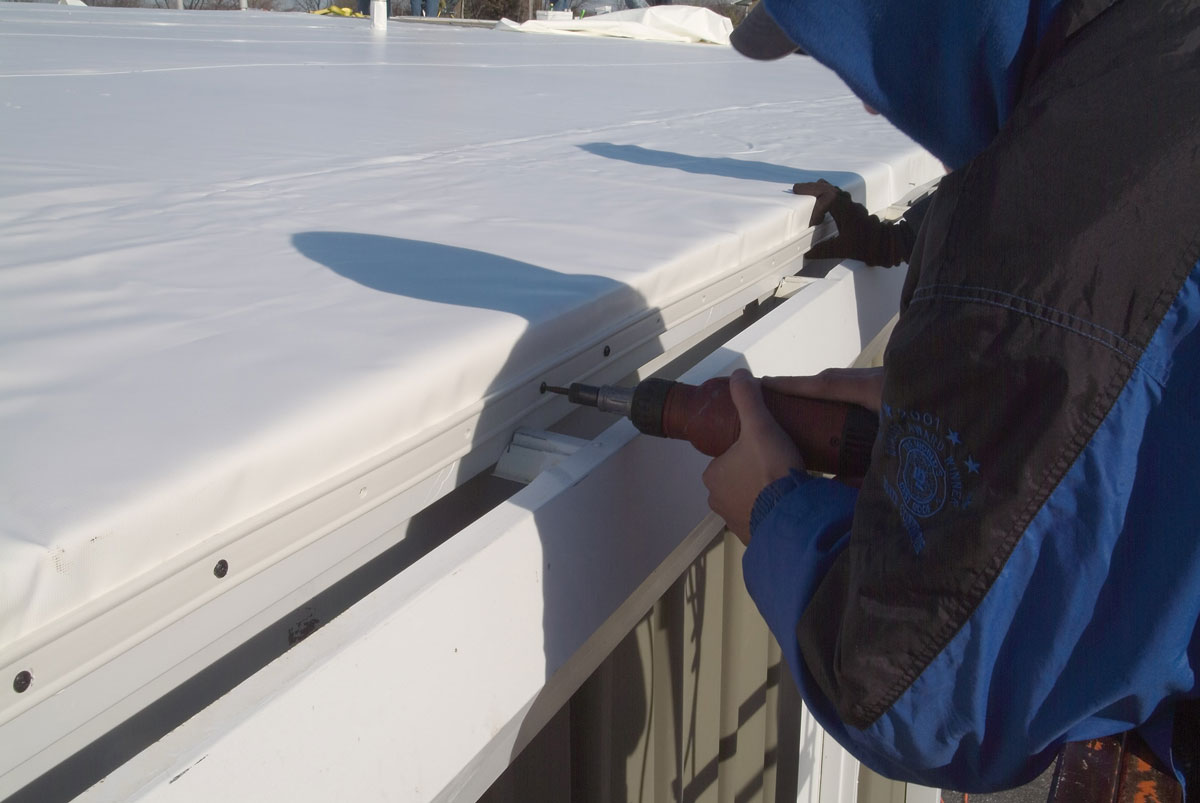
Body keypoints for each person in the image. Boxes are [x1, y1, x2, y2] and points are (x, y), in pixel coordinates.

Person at [704, 0, 1200, 795]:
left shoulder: (1062, 215)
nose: (870, 101)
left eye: (873, 52)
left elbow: (913, 692)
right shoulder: (1154, 62)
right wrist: (957, 416)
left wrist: (772, 509)